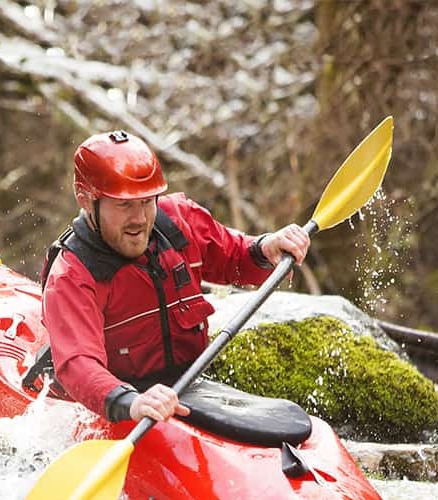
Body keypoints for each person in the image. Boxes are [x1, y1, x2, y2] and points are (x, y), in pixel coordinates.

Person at [40, 130, 311, 425]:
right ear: (86, 200)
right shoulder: (71, 276)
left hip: (187, 387)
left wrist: (266, 247)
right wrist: (130, 402)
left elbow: (235, 257)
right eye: (124, 205)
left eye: (146, 201)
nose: (140, 219)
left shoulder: (179, 221)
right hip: (119, 404)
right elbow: (78, 364)